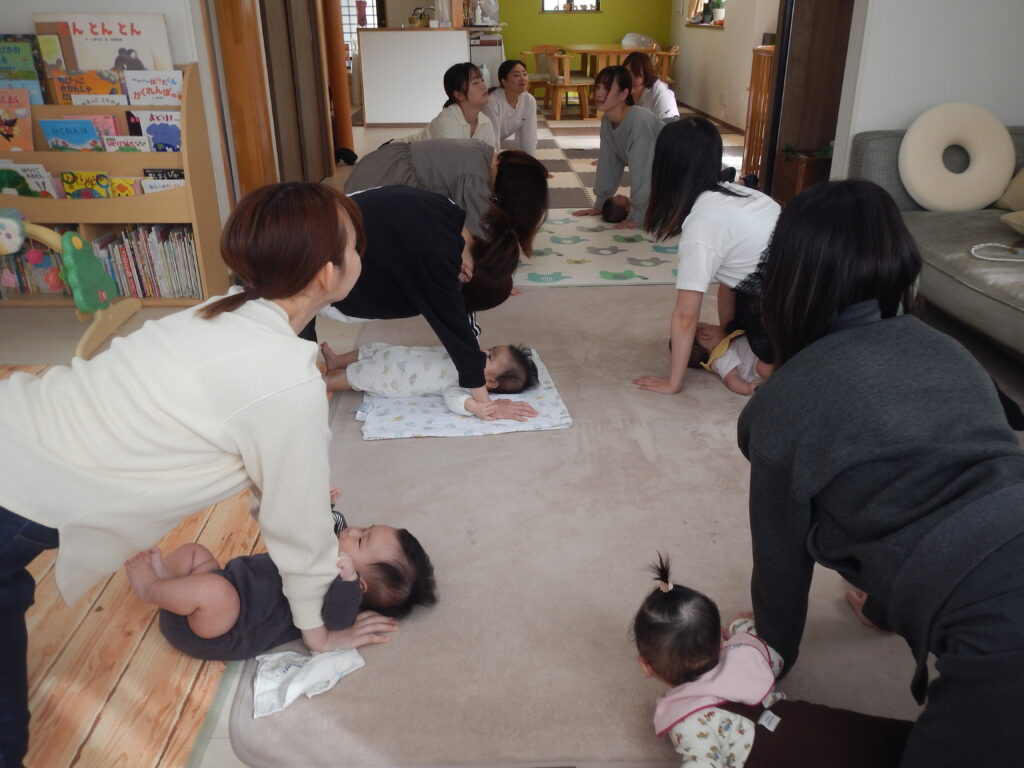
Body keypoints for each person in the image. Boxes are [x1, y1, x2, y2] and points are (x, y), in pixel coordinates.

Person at [0, 182, 368, 766]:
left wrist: (285, 490)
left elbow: (265, 481)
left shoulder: (214, 312)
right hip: (23, 489)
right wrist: (317, 631)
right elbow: (296, 529)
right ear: (327, 275)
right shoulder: (287, 383)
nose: (358, 258)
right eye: (355, 249)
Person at [738, 179, 1024, 766]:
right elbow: (949, 475)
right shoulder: (949, 350)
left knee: (750, 739)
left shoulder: (778, 406)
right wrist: (889, 605)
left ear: (784, 281)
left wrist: (768, 648)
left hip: (995, 611)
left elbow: (781, 562)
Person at [633, 555, 912, 768]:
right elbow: (774, 657)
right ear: (720, 636)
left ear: (646, 666)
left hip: (770, 757)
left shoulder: (690, 720)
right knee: (888, 741)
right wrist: (741, 625)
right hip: (810, 725)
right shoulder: (746, 652)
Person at [304, 185, 538, 422]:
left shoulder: (450, 212)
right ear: (466, 274)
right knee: (299, 317)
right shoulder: (437, 258)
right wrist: (488, 405)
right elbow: (454, 327)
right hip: (315, 252)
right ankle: (302, 382)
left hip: (324, 214)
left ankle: (306, 370)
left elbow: (460, 324)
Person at [126, 506, 437, 661]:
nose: (353, 530)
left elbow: (329, 631)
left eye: (361, 540)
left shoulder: (339, 596)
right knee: (197, 553)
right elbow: (310, 526)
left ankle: (150, 589)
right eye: (364, 528)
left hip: (217, 629)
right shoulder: (330, 550)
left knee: (215, 591)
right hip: (222, 587)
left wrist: (346, 589)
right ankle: (170, 585)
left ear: (358, 585)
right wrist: (316, 505)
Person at [632, 117, 780, 395]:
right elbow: (730, 282)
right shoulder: (743, 194)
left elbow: (686, 316)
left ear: (665, 169)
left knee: (766, 365)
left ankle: (789, 362)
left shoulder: (702, 227)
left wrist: (673, 382)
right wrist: (730, 332)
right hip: (812, 285)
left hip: (792, 304)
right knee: (742, 290)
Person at [343, 138, 548, 243]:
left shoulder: (483, 152)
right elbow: (476, 234)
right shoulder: (475, 177)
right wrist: (495, 273)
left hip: (378, 165)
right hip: (375, 183)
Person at [321, 341, 538, 421]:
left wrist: (477, 407)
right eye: (490, 349)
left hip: (394, 377)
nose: (483, 351)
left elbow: (456, 401)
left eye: (489, 356)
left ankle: (326, 383)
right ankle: (337, 360)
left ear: (490, 383)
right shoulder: (466, 352)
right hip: (399, 353)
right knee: (370, 349)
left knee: (359, 375)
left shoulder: (464, 384)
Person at [572, 65, 662, 229]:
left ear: (624, 94)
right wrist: (600, 205)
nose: (599, 93)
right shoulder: (607, 121)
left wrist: (638, 215)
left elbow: (643, 171)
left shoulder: (639, 120)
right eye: (598, 86)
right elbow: (608, 163)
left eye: (606, 88)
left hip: (680, 171)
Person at [400, 62, 498, 151]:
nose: (484, 86)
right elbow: (452, 166)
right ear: (459, 95)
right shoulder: (448, 119)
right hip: (400, 155)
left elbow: (492, 160)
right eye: (475, 83)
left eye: (482, 80)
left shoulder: (485, 122)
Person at [687, 323, 773, 396]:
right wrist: (747, 388)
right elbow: (731, 378)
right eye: (711, 325)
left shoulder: (729, 344)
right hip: (761, 365)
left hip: (766, 353)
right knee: (763, 367)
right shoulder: (721, 358)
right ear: (705, 334)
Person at [481, 59, 538, 156]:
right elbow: (492, 141)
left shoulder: (528, 101)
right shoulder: (492, 102)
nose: (523, 78)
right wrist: (495, 166)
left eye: (524, 74)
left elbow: (529, 137)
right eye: (516, 75)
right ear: (504, 82)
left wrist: (529, 163)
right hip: (476, 146)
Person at [622, 51, 679, 123]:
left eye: (636, 75)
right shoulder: (625, 92)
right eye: (627, 73)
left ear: (646, 75)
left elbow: (669, 128)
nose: (629, 79)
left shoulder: (660, 94)